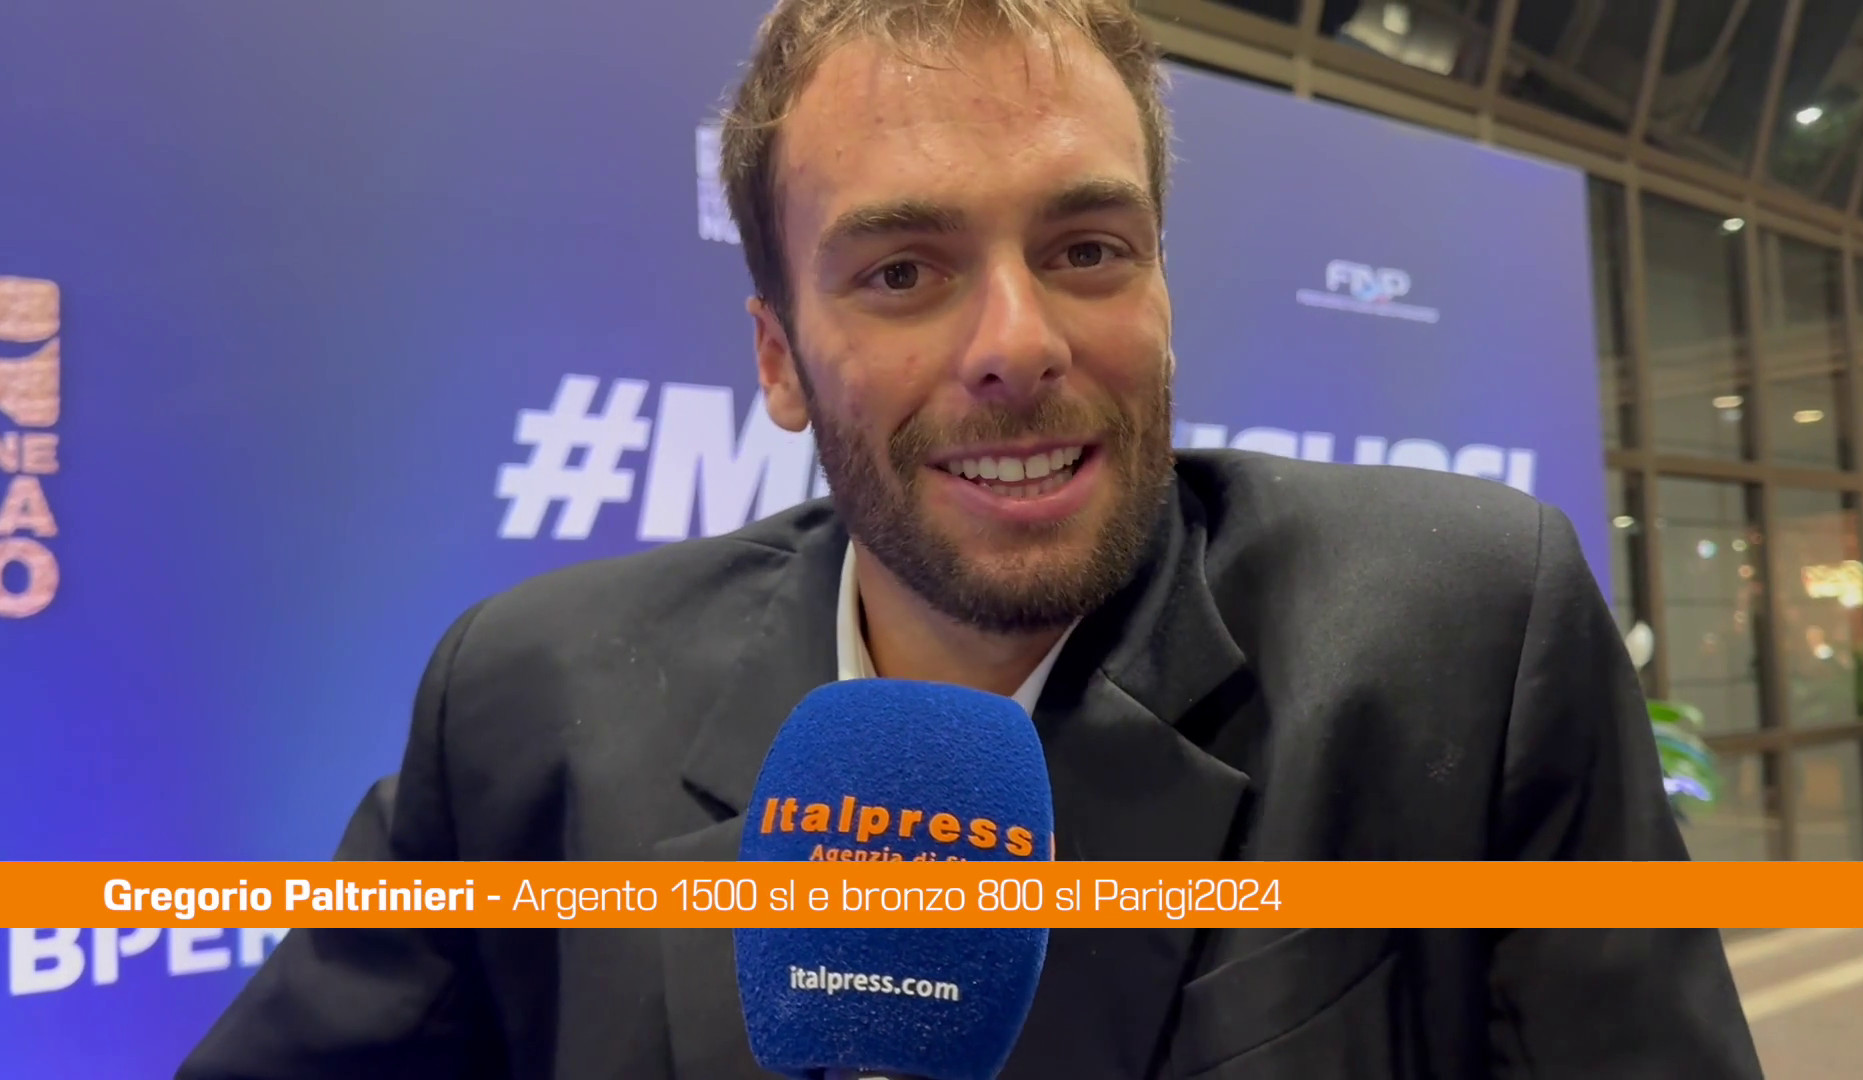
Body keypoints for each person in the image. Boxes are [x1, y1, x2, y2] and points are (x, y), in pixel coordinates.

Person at [178, 1, 1765, 1077]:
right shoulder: (530, 703)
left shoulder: (1461, 638)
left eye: (1086, 248)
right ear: (780, 360)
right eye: (902, 273)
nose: (1017, 342)